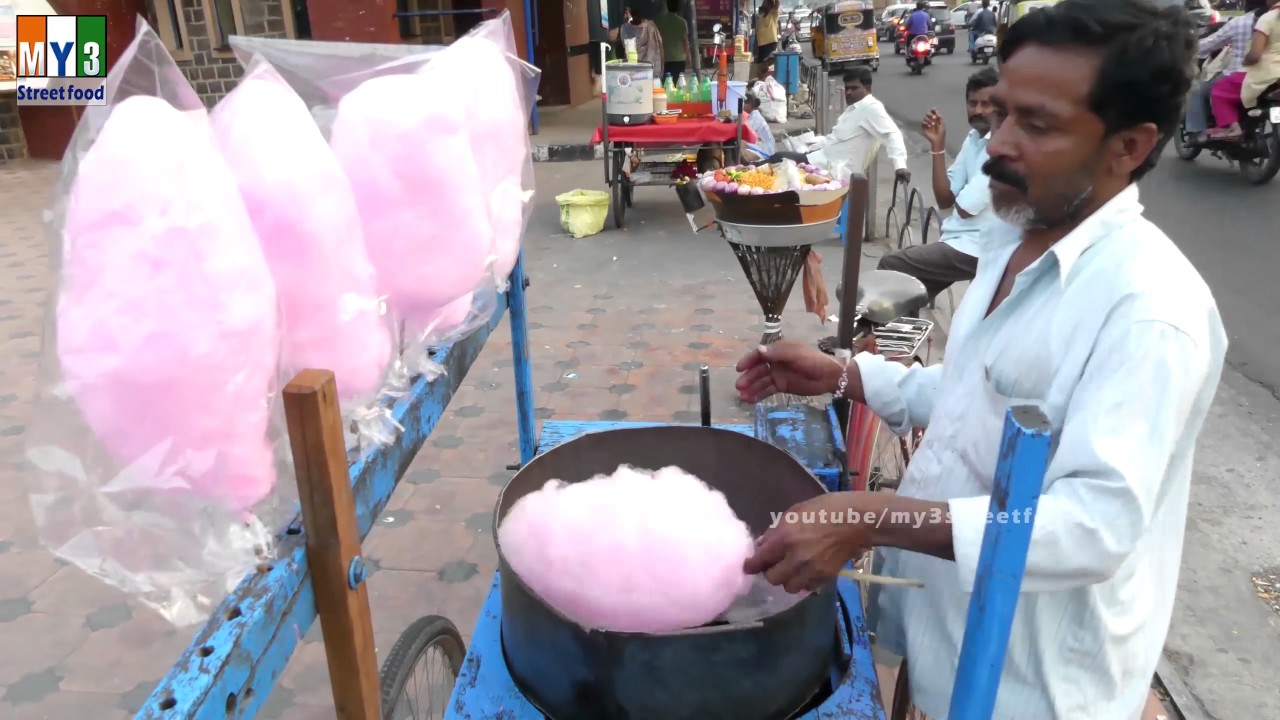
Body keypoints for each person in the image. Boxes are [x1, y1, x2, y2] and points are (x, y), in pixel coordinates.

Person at [736, 1, 1225, 719]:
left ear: (1128, 146)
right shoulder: (1016, 239)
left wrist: (878, 518)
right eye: (999, 116)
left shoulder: (1149, 310)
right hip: (948, 632)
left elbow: (1092, 528)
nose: (998, 145)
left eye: (1039, 125)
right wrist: (849, 374)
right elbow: (979, 395)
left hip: (1032, 681)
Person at [877, 68, 999, 302]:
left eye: (987, 104)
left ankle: (866, 336)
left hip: (978, 246)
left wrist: (960, 195)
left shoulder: (1000, 147)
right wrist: (937, 146)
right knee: (910, 293)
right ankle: (888, 333)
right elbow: (945, 199)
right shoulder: (973, 139)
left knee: (891, 265)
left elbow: (963, 207)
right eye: (972, 103)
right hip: (958, 239)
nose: (978, 110)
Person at [805, 67, 911, 183]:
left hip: (831, 172)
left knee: (782, 159)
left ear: (867, 88)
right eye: (847, 88)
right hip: (818, 159)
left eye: (854, 88)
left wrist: (900, 166)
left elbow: (892, 134)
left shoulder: (871, 107)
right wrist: (811, 149)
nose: (848, 92)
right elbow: (835, 139)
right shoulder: (853, 108)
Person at [1186, 0, 1267, 140]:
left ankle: (1198, 131)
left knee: (1198, 90)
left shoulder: (1240, 23)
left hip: (1239, 73)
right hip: (1270, 76)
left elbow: (1213, 42)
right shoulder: (1273, 20)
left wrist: (1188, 48)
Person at [1208, 0, 1280, 139]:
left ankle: (1233, 128)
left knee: (1220, 89)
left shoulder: (1268, 18)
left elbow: (1254, 55)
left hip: (1266, 73)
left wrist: (1245, 60)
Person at [609, 6, 665, 78]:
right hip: (648, 72)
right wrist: (662, 68)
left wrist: (623, 20)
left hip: (632, 71)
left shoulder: (624, 28)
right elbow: (660, 46)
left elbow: (611, 37)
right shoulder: (651, 26)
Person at [655, 0, 692, 78]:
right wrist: (688, 57)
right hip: (679, 59)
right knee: (677, 84)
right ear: (678, 8)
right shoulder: (682, 22)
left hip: (664, 58)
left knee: (665, 83)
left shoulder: (659, 21)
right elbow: (685, 41)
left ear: (667, 6)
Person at [742, 95, 778, 161]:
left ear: (749, 104)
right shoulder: (749, 115)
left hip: (764, 150)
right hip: (757, 147)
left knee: (740, 152)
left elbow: (748, 137)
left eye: (744, 103)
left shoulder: (754, 117)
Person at [755, 0, 781, 73]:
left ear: (769, 5)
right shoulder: (762, 16)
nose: (763, 5)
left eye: (765, 3)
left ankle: (768, 81)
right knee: (761, 67)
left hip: (770, 44)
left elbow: (777, 4)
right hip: (761, 46)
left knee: (768, 67)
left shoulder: (773, 13)